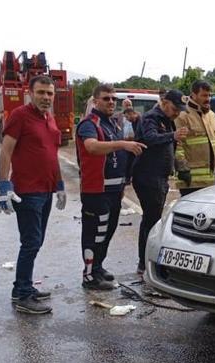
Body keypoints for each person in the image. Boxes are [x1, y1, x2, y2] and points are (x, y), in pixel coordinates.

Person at [0, 75, 65, 314]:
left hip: (46, 190)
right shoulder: (20, 116)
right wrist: (4, 186)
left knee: (36, 242)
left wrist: (60, 185)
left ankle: (24, 287)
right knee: (31, 242)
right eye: (41, 93)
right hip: (27, 191)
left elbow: (52, 154)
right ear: (30, 93)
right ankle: (22, 294)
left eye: (50, 93)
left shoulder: (50, 118)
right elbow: (6, 151)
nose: (46, 97)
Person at [76, 84, 146, 289]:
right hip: (96, 190)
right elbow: (92, 146)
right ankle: (89, 275)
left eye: (113, 99)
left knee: (108, 231)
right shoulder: (90, 124)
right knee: (94, 232)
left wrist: (125, 180)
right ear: (95, 101)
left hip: (115, 190)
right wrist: (123, 144)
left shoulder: (113, 124)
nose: (110, 102)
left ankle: (98, 266)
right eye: (106, 98)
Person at [133, 90, 187, 277]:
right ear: (164, 102)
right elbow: (150, 138)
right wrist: (172, 135)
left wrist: (179, 167)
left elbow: (170, 147)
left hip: (160, 176)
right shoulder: (151, 118)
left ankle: (149, 261)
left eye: (179, 110)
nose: (177, 113)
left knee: (154, 220)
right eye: (174, 108)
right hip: (148, 176)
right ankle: (144, 263)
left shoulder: (167, 119)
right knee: (151, 221)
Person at [174, 80, 215, 196]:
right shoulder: (182, 116)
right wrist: (182, 169)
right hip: (192, 182)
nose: (208, 98)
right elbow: (178, 145)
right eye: (204, 95)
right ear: (193, 95)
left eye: (210, 95)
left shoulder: (212, 115)